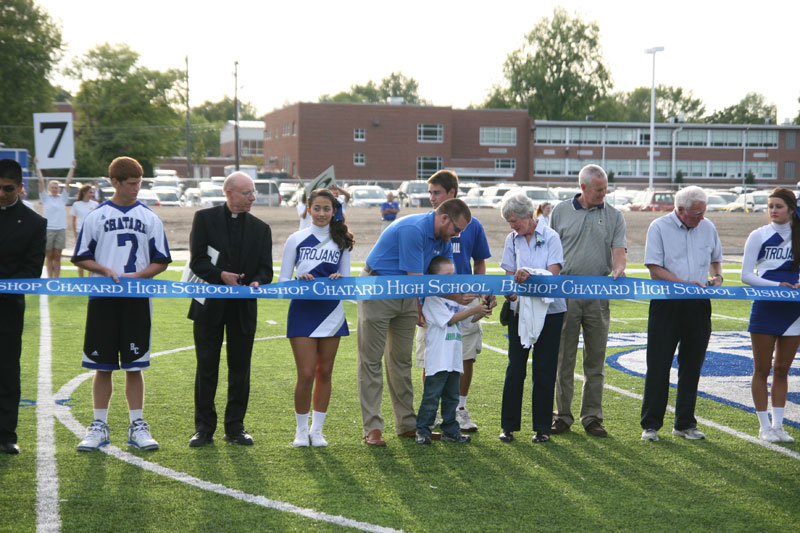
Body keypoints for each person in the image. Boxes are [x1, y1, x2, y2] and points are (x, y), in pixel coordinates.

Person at [72, 156, 172, 452]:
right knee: (101, 365)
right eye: (131, 184)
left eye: (139, 183)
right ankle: (99, 425)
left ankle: (137, 424)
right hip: (103, 299)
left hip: (136, 300)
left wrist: (138, 276)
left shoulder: (149, 216)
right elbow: (80, 255)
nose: (136, 188)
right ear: (114, 182)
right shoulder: (96, 215)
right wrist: (103, 269)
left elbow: (161, 261)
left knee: (134, 365)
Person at [358, 198, 471, 446]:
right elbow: (417, 280)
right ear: (444, 218)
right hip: (379, 289)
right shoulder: (413, 229)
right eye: (456, 229)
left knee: (401, 361)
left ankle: (407, 424)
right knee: (371, 360)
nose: (456, 236)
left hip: (407, 294)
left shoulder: (443, 240)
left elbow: (436, 281)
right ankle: (373, 428)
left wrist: (471, 295)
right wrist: (450, 299)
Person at [187, 171, 273, 448]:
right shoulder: (204, 219)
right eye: (247, 193)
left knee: (240, 367)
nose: (252, 198)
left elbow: (266, 269)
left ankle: (235, 427)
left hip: (243, 307)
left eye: (253, 193)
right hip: (208, 305)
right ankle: (204, 428)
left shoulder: (261, 228)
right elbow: (197, 262)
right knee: (207, 366)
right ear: (229, 193)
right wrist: (220, 275)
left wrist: (259, 280)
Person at [549, 164, 626, 438]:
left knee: (595, 360)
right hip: (565, 295)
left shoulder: (615, 215)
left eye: (605, 189)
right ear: (582, 187)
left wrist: (619, 268)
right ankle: (561, 416)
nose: (603, 194)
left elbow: (618, 250)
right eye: (598, 190)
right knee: (563, 359)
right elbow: (550, 250)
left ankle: (592, 417)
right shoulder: (559, 212)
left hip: (598, 295)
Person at [640, 186, 722, 442]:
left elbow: (716, 258)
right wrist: (682, 284)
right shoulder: (659, 227)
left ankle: (685, 423)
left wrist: (717, 276)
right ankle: (651, 425)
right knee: (658, 364)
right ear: (680, 209)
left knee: (692, 366)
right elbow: (654, 268)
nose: (701, 217)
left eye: (703, 212)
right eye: (697, 213)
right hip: (667, 303)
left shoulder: (708, 227)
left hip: (698, 304)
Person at [415, 169, 493, 432]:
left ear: (452, 193)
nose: (432, 198)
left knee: (465, 356)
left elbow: (480, 260)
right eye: (430, 193)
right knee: (430, 358)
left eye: (437, 193)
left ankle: (459, 408)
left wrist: (481, 291)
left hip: (464, 301)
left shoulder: (474, 225)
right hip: (434, 303)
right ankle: (432, 411)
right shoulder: (425, 225)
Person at [280, 189, 353, 447]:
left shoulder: (342, 242)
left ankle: (317, 430)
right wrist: (299, 280)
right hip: (303, 311)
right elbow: (282, 282)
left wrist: (339, 280)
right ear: (308, 209)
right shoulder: (296, 239)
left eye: (327, 209)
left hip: (332, 311)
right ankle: (301, 430)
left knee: (325, 372)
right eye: (317, 208)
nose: (322, 213)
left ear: (334, 211)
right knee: (306, 373)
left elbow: (347, 282)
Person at [498, 193, 566, 444]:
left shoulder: (551, 237)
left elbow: (554, 273)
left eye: (514, 220)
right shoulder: (511, 239)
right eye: (509, 222)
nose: (512, 225)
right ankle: (508, 426)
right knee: (515, 368)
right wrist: (511, 292)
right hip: (520, 312)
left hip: (551, 311)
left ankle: (542, 428)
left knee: (544, 369)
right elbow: (508, 272)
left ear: (529, 216)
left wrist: (530, 274)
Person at [741, 187, 799, 443]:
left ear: (791, 209)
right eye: (770, 206)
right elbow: (746, 275)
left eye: (778, 206)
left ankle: (778, 425)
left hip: (794, 310)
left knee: (783, 369)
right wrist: (778, 287)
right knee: (762, 368)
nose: (773, 211)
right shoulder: (759, 235)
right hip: (766, 305)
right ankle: (764, 426)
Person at [415, 256, 490, 445]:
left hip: (454, 359)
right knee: (431, 397)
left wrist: (482, 311)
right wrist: (473, 310)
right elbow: (450, 319)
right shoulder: (432, 299)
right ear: (433, 278)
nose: (451, 278)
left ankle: (450, 429)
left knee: (452, 397)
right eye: (446, 275)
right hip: (439, 360)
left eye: (453, 274)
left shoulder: (454, 300)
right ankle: (422, 430)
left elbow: (465, 321)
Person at [0, 159, 46, 455]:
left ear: (20, 187)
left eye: (7, 188)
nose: (1, 193)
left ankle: (6, 434)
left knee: (6, 371)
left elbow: (31, 270)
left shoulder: (34, 223)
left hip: (8, 309)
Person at [36, 157, 75, 278]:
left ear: (59, 189)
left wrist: (72, 167)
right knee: (49, 256)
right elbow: (41, 181)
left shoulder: (62, 198)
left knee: (57, 256)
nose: (54, 189)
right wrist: (37, 166)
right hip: (49, 230)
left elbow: (68, 182)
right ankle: (50, 278)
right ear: (49, 189)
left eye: (56, 187)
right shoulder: (45, 198)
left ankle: (57, 279)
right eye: (52, 187)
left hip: (60, 229)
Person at [71, 184, 99, 277]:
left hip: (92, 233)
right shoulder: (76, 204)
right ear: (84, 192)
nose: (92, 194)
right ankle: (81, 278)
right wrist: (75, 234)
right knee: (81, 256)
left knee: (92, 256)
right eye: (90, 192)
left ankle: (89, 277)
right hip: (80, 232)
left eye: (93, 192)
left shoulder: (95, 204)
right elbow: (74, 220)